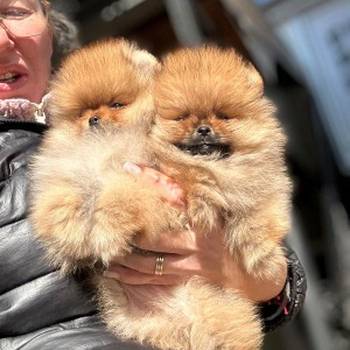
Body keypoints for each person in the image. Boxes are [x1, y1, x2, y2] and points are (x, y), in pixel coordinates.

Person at [0, 1, 306, 349]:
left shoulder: (142, 94)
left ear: (48, 21)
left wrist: (252, 273)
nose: (1, 39)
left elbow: (271, 274)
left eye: (15, 11)